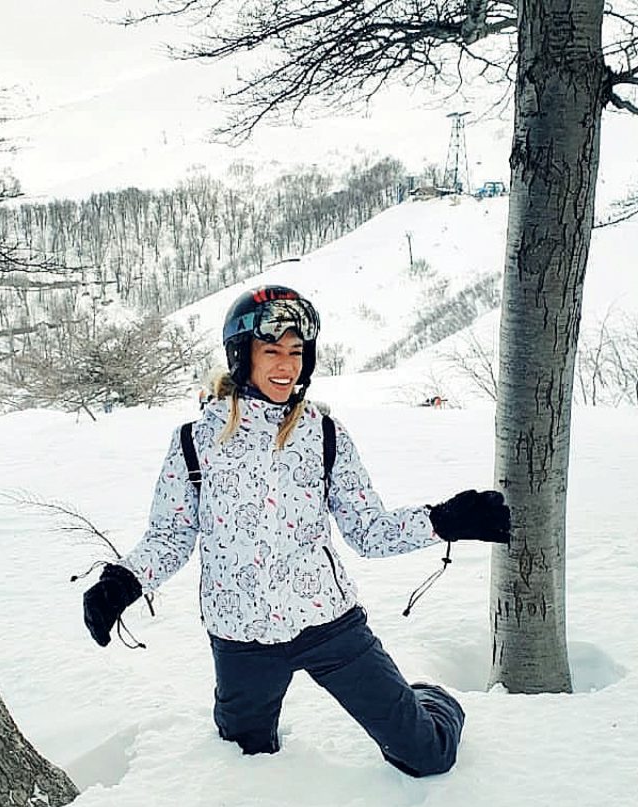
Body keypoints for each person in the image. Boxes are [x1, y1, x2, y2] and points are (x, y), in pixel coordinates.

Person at [82, 285, 510, 778]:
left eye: (296, 352)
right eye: (272, 351)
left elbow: (367, 529)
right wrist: (124, 582)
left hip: (328, 623)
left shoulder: (324, 434)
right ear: (242, 356)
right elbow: (171, 535)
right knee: (244, 761)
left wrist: (443, 521)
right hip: (241, 636)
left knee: (427, 754)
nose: (287, 365)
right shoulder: (194, 442)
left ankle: (428, 698)